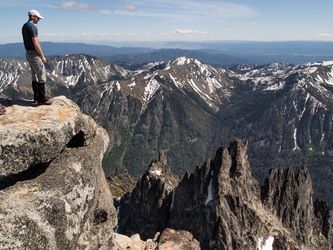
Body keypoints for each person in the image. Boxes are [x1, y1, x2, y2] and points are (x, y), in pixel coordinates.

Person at [22, 9, 52, 105]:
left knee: (34, 75)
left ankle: (36, 98)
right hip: (34, 54)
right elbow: (35, 43)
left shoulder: (24, 26)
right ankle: (42, 99)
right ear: (33, 16)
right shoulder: (33, 27)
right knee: (41, 75)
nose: (38, 20)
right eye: (37, 18)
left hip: (28, 53)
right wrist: (42, 56)